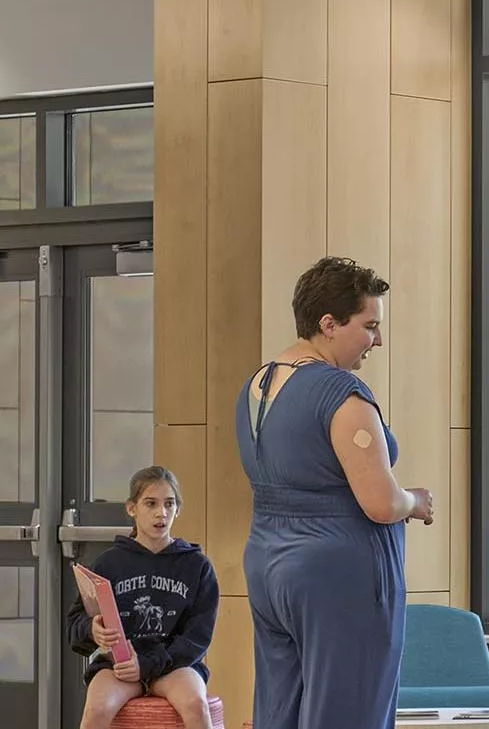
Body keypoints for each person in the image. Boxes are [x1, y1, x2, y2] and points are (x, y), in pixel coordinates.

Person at [236, 257, 430, 729]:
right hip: (336, 573)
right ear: (328, 324)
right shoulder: (341, 391)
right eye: (369, 326)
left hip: (268, 563)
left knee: (280, 711)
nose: (377, 340)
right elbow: (381, 503)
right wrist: (415, 501)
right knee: (350, 710)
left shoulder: (256, 386)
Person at [69, 466, 219, 729]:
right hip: (121, 666)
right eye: (151, 503)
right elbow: (76, 622)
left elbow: (198, 638)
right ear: (132, 508)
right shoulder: (109, 563)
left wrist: (149, 663)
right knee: (97, 708)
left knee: (196, 704)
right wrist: (93, 630)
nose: (161, 513)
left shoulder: (197, 566)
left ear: (178, 509)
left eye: (169, 504)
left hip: (173, 664)